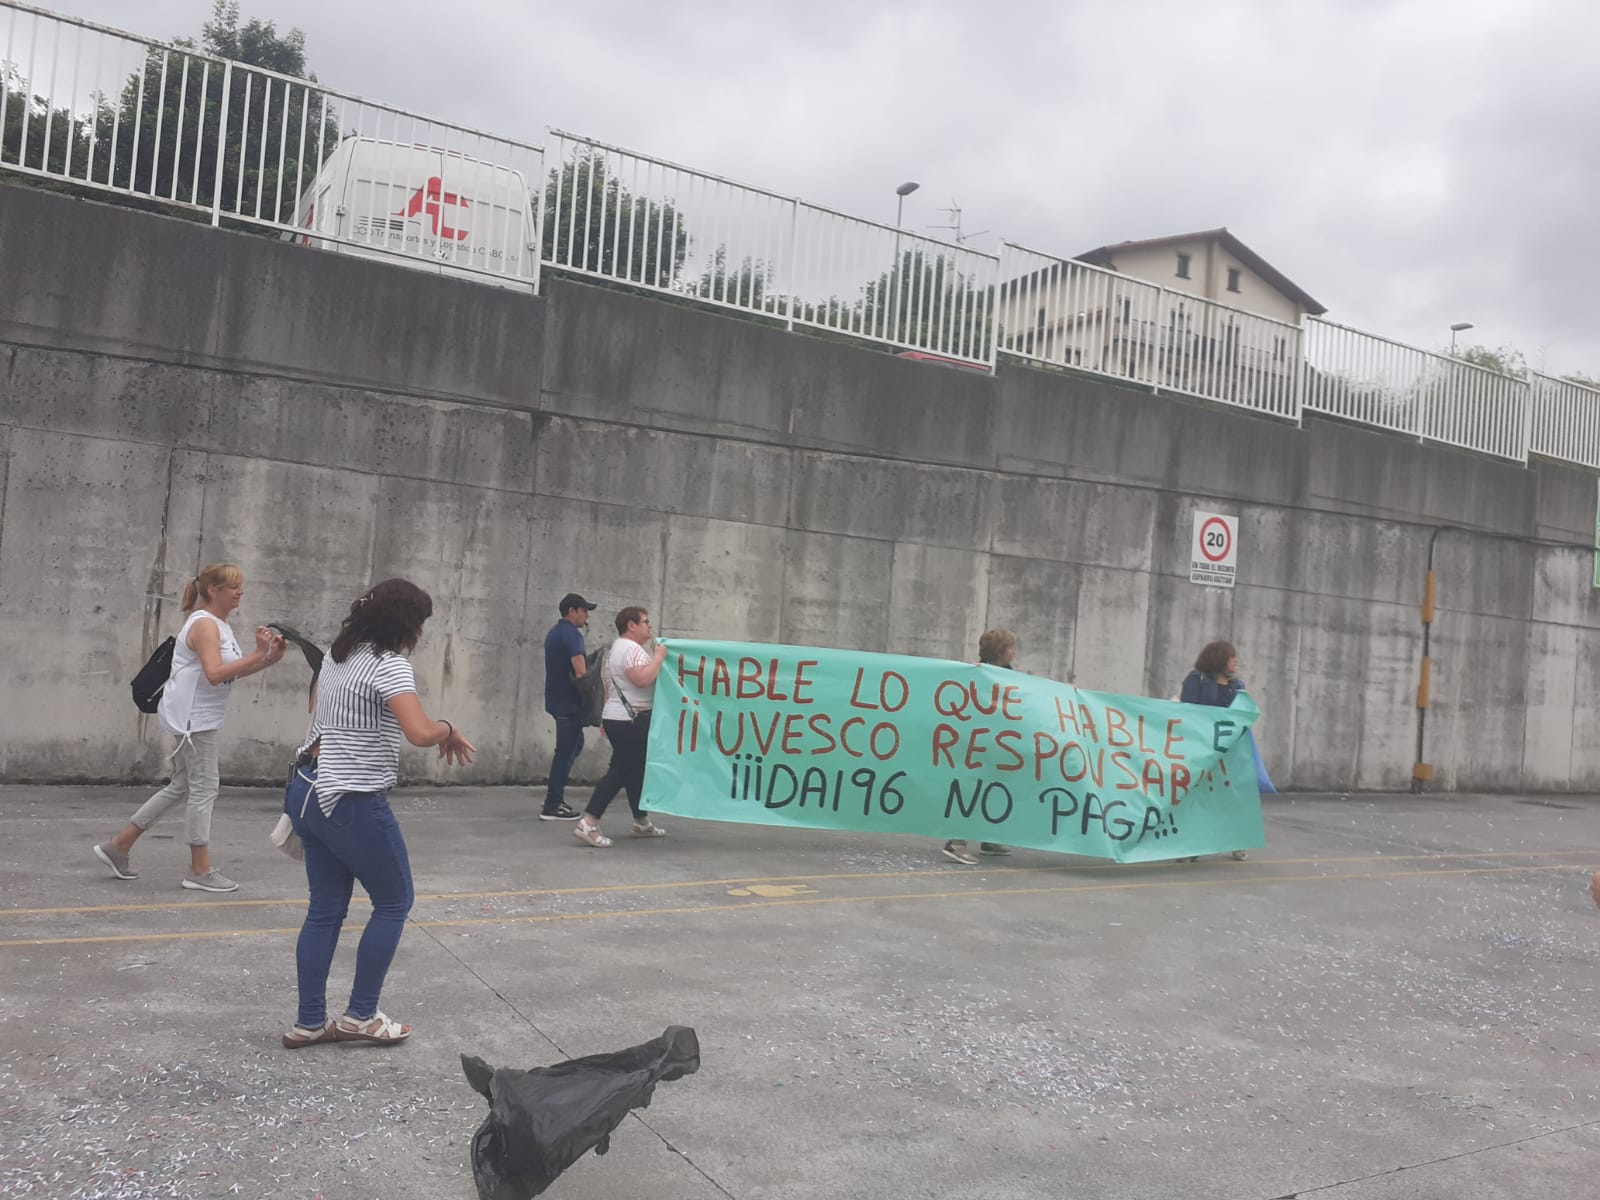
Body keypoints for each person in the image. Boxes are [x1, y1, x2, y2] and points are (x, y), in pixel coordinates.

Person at [280, 579, 475, 1049]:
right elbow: (419, 732)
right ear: (404, 623)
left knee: (324, 910)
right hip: (352, 798)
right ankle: (361, 1015)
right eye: (421, 623)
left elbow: (317, 710)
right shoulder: (390, 666)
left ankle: (309, 1023)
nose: (422, 633)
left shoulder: (336, 655)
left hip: (308, 787)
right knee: (393, 901)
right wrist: (447, 727)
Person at [94, 563, 287, 892]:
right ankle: (199, 869)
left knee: (181, 785)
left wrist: (267, 658)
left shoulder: (218, 625)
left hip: (198, 716)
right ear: (214, 590)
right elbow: (215, 673)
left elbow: (227, 673)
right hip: (193, 720)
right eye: (233, 587)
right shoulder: (204, 625)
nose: (240, 592)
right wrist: (257, 653)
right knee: (204, 788)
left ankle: (118, 846)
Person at [573, 606, 668, 848]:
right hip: (631, 719)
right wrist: (658, 657)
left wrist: (606, 717)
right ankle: (589, 822)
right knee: (621, 771)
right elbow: (642, 679)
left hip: (620, 717)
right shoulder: (631, 649)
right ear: (631, 625)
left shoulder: (616, 649)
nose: (650, 626)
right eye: (645, 621)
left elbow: (610, 686)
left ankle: (641, 821)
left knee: (634, 771)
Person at [942, 629, 1018, 866]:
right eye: (1010, 647)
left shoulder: (1009, 674)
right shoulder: (977, 673)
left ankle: (989, 838)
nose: (1014, 652)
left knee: (993, 790)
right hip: (976, 744)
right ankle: (956, 843)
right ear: (1000, 651)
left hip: (997, 743)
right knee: (970, 792)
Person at [1177, 639, 1250, 863]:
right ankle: (1191, 846)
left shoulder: (1237, 686)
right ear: (1219, 660)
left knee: (1230, 796)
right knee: (1197, 798)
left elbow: (1241, 714)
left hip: (1229, 750)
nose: (1235, 660)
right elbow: (1190, 711)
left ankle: (1238, 840)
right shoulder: (1195, 680)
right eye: (1231, 657)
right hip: (1201, 748)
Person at [540, 593, 596, 821]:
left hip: (555, 699)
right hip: (568, 703)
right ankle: (553, 804)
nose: (587, 616)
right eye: (584, 611)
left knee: (573, 745)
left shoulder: (554, 633)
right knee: (565, 752)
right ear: (572, 611)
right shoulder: (573, 635)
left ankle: (555, 793)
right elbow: (581, 673)